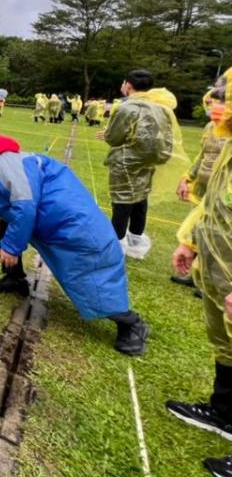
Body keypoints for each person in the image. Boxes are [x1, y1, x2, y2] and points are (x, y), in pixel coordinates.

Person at [0, 132, 150, 356]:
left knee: (87, 275)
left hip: (71, 226)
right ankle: (14, 278)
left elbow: (25, 204)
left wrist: (12, 246)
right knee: (2, 227)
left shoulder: (3, 162)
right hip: (49, 222)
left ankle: (131, 323)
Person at [168, 70, 232, 476]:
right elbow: (215, 201)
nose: (217, 100)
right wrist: (190, 241)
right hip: (219, 255)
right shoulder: (225, 141)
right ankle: (224, 411)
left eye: (225, 94)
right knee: (224, 337)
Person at [101, 70, 184, 259]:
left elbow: (114, 138)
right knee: (140, 200)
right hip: (148, 162)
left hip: (126, 162)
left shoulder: (125, 108)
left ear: (128, 86)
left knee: (122, 203)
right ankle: (135, 243)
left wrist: (107, 134)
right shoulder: (160, 108)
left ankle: (116, 246)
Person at [172, 89, 228, 293]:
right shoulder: (209, 127)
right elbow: (203, 156)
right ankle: (197, 275)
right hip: (205, 188)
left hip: (223, 191)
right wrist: (188, 178)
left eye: (217, 103)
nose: (212, 107)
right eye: (211, 103)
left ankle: (209, 282)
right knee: (201, 230)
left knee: (219, 234)